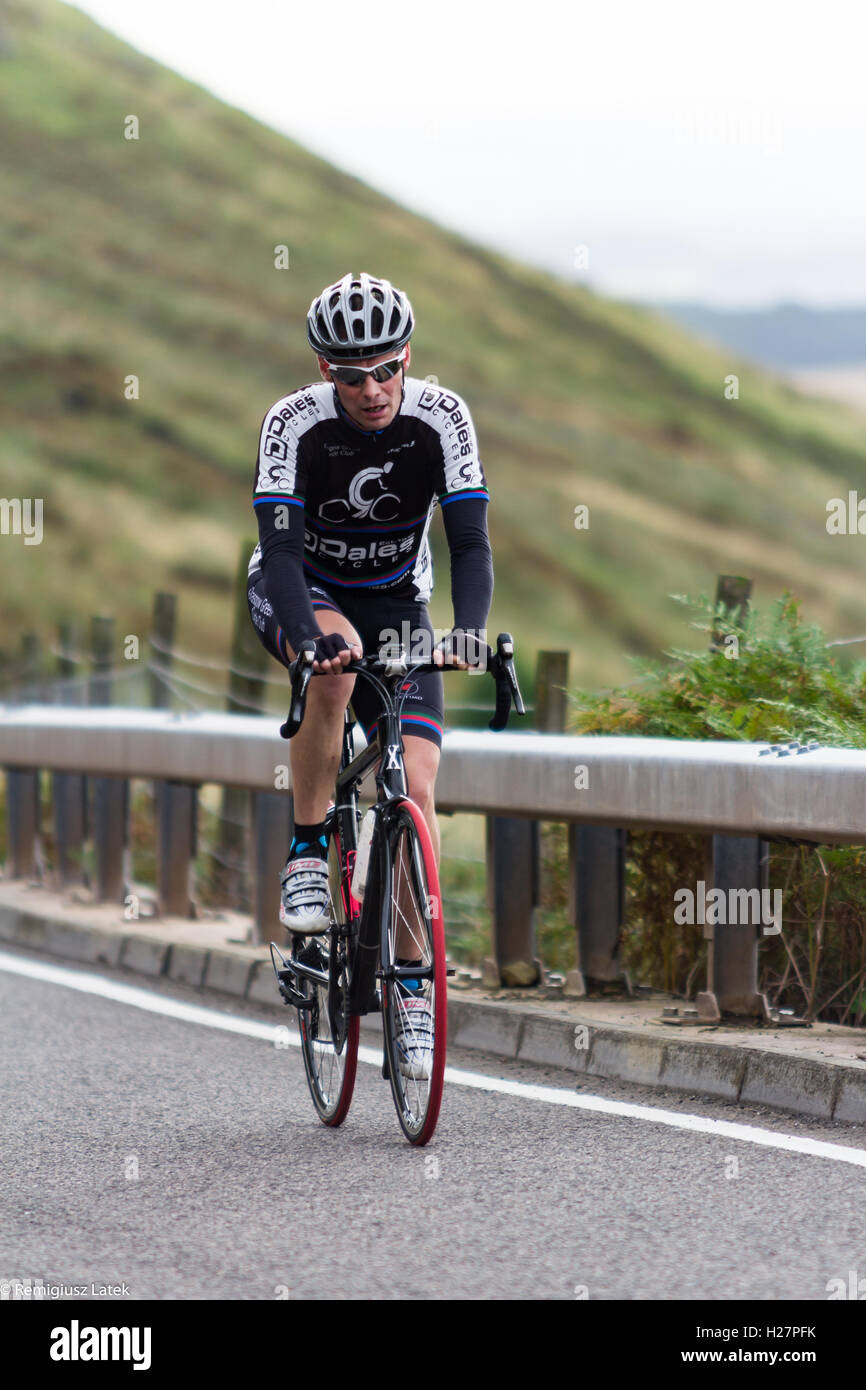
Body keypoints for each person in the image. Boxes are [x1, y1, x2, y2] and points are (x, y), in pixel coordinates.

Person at [246, 273, 493, 1066]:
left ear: (407, 358)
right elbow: (281, 550)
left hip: (397, 604)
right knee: (336, 672)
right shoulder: (293, 424)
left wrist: (468, 633)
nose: (374, 389)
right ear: (327, 372)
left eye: (387, 369)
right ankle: (309, 852)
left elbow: (469, 543)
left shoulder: (442, 417)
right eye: (353, 376)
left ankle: (414, 990)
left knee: (416, 789)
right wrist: (306, 636)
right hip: (301, 591)